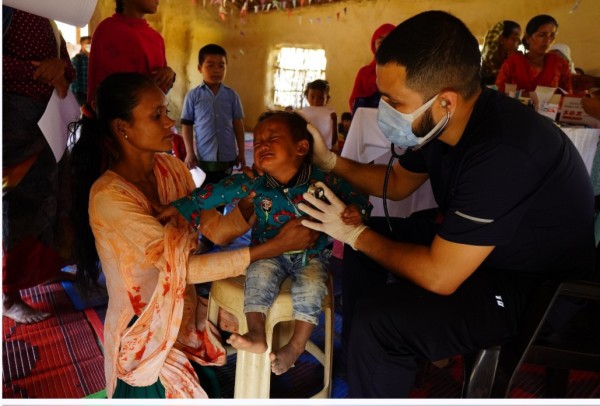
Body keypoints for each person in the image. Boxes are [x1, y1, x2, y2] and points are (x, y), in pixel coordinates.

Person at [298, 10, 596, 397]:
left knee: (381, 320)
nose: (383, 110)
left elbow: (441, 276)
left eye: (393, 101)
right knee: (366, 246)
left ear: (445, 102)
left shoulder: (503, 150)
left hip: (537, 289)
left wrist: (354, 233)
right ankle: (364, 357)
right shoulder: (445, 124)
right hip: (485, 252)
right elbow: (399, 182)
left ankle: (375, 351)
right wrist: (332, 163)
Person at [69, 73, 317, 398]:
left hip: (182, 318)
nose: (170, 120)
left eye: (165, 110)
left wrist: (249, 201)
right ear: (122, 128)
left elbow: (215, 229)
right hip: (143, 327)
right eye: (156, 115)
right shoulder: (110, 197)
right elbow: (180, 270)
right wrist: (273, 247)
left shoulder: (171, 169)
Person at [165, 111, 370, 375]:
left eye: (272, 138)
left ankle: (295, 346)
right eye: (258, 141)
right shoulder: (255, 183)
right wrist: (180, 206)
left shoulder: (322, 181)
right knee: (257, 277)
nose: (262, 145)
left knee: (311, 287)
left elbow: (358, 198)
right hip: (269, 255)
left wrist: (357, 211)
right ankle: (256, 333)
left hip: (311, 256)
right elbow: (214, 193)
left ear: (301, 147)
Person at [3, 7, 75, 324]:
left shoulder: (44, 15)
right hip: (12, 120)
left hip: (46, 119)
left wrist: (59, 67)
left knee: (47, 198)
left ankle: (34, 272)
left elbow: (66, 65)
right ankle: (7, 294)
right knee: (13, 206)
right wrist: (36, 70)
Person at [87, 0, 176, 104]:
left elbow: (160, 89)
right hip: (117, 116)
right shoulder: (108, 30)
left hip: (150, 114)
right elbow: (106, 90)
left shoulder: (156, 38)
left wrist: (169, 75)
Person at [180, 44, 246, 184]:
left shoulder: (232, 96)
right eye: (210, 65)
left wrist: (242, 152)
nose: (216, 70)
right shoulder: (193, 96)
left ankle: (221, 208)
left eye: (221, 66)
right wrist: (190, 152)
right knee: (205, 193)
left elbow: (238, 124)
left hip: (227, 156)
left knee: (224, 192)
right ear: (199, 68)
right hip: (204, 157)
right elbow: (187, 125)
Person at [495, 14, 572, 94]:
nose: (547, 40)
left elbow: (567, 96)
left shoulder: (559, 63)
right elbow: (498, 93)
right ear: (528, 38)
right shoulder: (513, 62)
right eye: (542, 35)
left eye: (552, 35)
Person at [348, 23, 395, 114]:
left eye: (390, 41)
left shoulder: (406, 72)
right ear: (374, 46)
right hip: (368, 123)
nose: (385, 46)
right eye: (381, 42)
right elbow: (356, 107)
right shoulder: (364, 73)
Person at [297, 79, 338, 151]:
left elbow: (333, 141)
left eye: (320, 98)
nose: (315, 101)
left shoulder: (331, 114)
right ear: (307, 97)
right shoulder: (302, 114)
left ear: (327, 99)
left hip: (324, 151)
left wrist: (334, 121)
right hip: (307, 151)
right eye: (312, 97)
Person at [480, 20, 521, 86]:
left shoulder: (514, 59)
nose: (519, 43)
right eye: (515, 39)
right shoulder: (488, 67)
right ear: (501, 39)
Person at [70, 36, 92, 106]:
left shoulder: (95, 59)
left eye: (92, 43)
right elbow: (73, 79)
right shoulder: (77, 59)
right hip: (81, 95)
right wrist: (74, 97)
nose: (90, 45)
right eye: (88, 43)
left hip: (93, 94)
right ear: (82, 45)